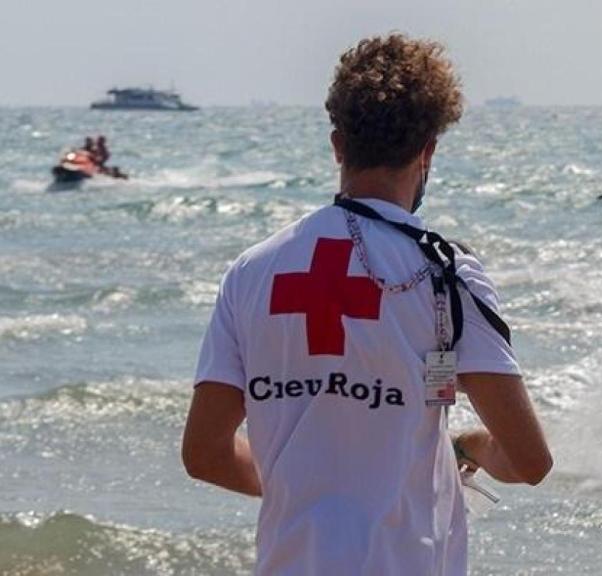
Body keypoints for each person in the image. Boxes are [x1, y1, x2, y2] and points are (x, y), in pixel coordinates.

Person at [181, 33, 552, 576]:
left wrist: (308, 495)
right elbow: (530, 461)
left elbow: (204, 454)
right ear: (428, 150)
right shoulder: (448, 274)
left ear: (337, 144)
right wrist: (468, 445)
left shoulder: (251, 272)